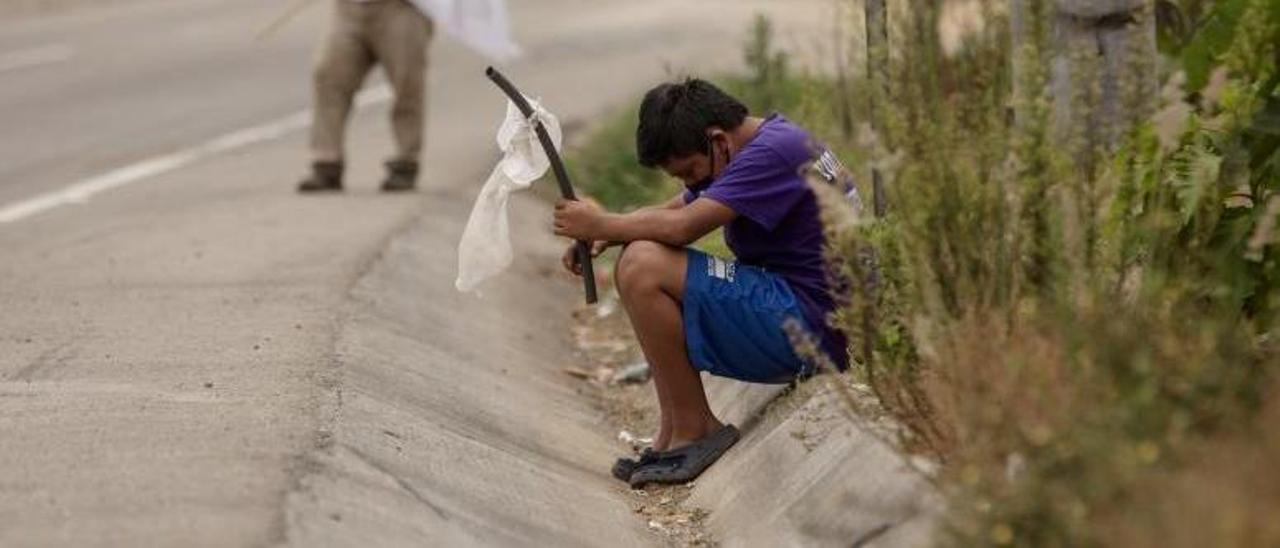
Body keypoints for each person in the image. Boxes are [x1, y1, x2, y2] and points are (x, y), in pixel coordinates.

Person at [553, 79, 857, 487]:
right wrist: (610, 234)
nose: (692, 186)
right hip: (806, 310)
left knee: (644, 265)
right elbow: (674, 208)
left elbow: (682, 226)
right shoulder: (764, 141)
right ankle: (672, 435)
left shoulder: (771, 154)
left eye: (691, 172)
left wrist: (603, 222)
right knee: (638, 253)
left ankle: (696, 430)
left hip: (816, 328)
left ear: (718, 141)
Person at [298, 0, 434, 193]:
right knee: (328, 73)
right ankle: (326, 161)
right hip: (349, 10)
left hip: (400, 9)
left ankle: (406, 160)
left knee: (407, 82)